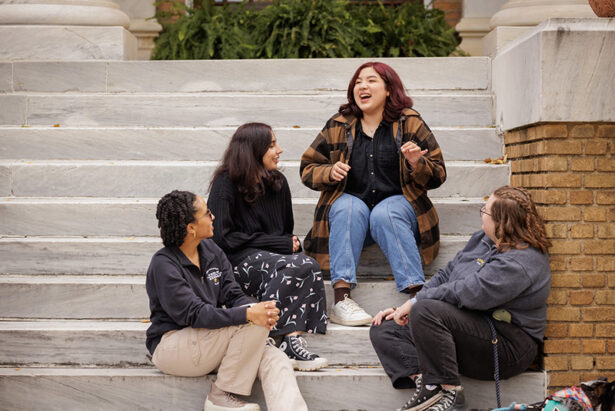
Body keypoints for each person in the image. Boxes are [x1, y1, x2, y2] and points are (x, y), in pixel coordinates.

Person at [369, 185, 552, 411]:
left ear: (501, 221)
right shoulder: (482, 239)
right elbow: (447, 274)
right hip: (468, 328)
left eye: (485, 211)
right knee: (385, 326)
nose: (482, 214)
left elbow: (469, 293)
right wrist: (403, 309)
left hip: (507, 345)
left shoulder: (522, 262)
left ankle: (451, 394)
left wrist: (415, 303)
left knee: (425, 311)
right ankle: (429, 387)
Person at [300, 61, 446, 326]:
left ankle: (418, 299)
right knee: (348, 207)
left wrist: (417, 163)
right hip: (352, 219)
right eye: (358, 82)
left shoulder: (410, 122)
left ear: (389, 89)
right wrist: (329, 172)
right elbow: (308, 168)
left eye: (371, 80)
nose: (362, 86)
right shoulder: (339, 124)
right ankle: (342, 301)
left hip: (397, 214)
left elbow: (438, 174)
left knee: (385, 212)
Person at [145, 190, 308, 411]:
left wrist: (258, 309)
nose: (213, 217)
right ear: (190, 228)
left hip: (210, 344)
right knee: (253, 322)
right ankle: (220, 395)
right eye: (207, 213)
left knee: (275, 358)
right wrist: (250, 314)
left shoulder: (211, 251)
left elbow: (232, 294)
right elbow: (196, 314)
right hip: (174, 347)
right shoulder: (164, 265)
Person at [207, 122, 328, 371]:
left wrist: (285, 244)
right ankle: (279, 340)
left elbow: (283, 231)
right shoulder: (225, 184)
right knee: (295, 265)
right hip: (235, 261)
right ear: (253, 149)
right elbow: (221, 239)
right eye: (272, 145)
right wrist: (277, 243)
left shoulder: (278, 183)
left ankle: (290, 339)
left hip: (274, 261)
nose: (279, 150)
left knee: (308, 265)